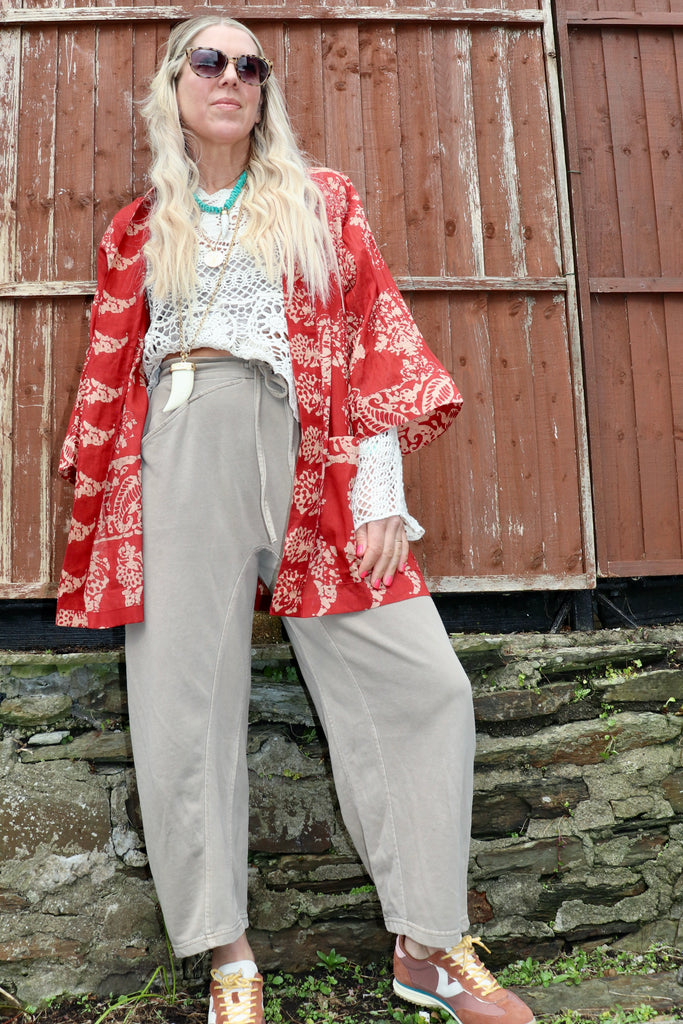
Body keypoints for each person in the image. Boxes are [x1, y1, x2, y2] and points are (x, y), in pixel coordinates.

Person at [56, 15, 534, 1024]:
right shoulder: (137, 228)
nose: (230, 76)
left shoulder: (321, 201)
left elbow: (369, 335)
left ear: (263, 89)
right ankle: (228, 955)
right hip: (180, 444)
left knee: (426, 683)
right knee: (183, 701)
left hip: (310, 446)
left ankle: (427, 945)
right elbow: (112, 369)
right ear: (174, 87)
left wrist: (381, 492)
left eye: (249, 64)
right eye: (208, 61)